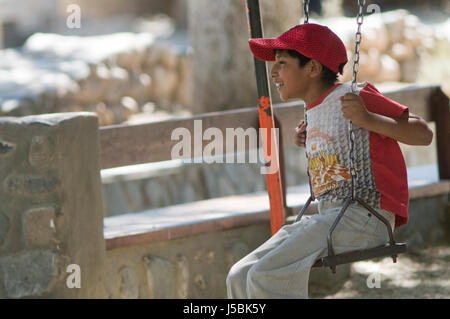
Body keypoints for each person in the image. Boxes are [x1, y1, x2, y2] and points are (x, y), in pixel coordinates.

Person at [226, 23, 433, 299]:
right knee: (240, 273)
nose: (274, 72)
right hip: (330, 217)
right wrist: (310, 141)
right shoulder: (313, 111)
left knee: (266, 274)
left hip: (365, 216)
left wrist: (368, 119)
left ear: (312, 68)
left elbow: (423, 133)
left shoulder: (355, 97)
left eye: (282, 63)